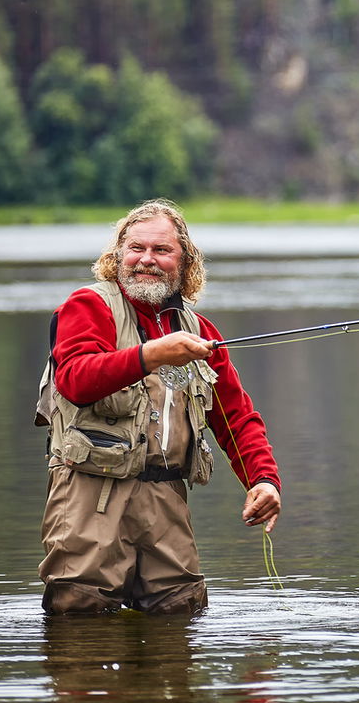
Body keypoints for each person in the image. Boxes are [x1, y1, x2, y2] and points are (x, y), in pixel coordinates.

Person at [36, 199, 281, 615]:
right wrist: (153, 354)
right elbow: (75, 379)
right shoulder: (87, 306)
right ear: (118, 255)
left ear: (185, 264)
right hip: (90, 492)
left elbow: (234, 416)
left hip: (166, 496)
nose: (146, 260)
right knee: (80, 613)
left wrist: (263, 479)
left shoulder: (198, 330)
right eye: (136, 248)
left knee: (181, 610)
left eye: (161, 251)